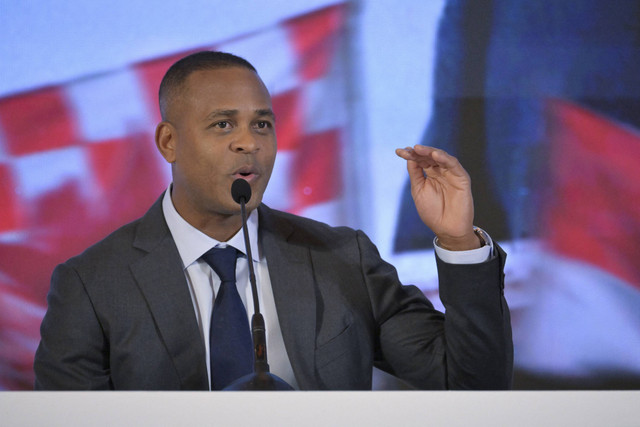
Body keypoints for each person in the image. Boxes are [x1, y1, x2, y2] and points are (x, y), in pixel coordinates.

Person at [34, 51, 512, 390]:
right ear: (168, 143)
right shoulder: (92, 284)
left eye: (261, 124)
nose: (250, 143)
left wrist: (458, 240)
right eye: (223, 125)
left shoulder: (343, 258)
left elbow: (470, 382)